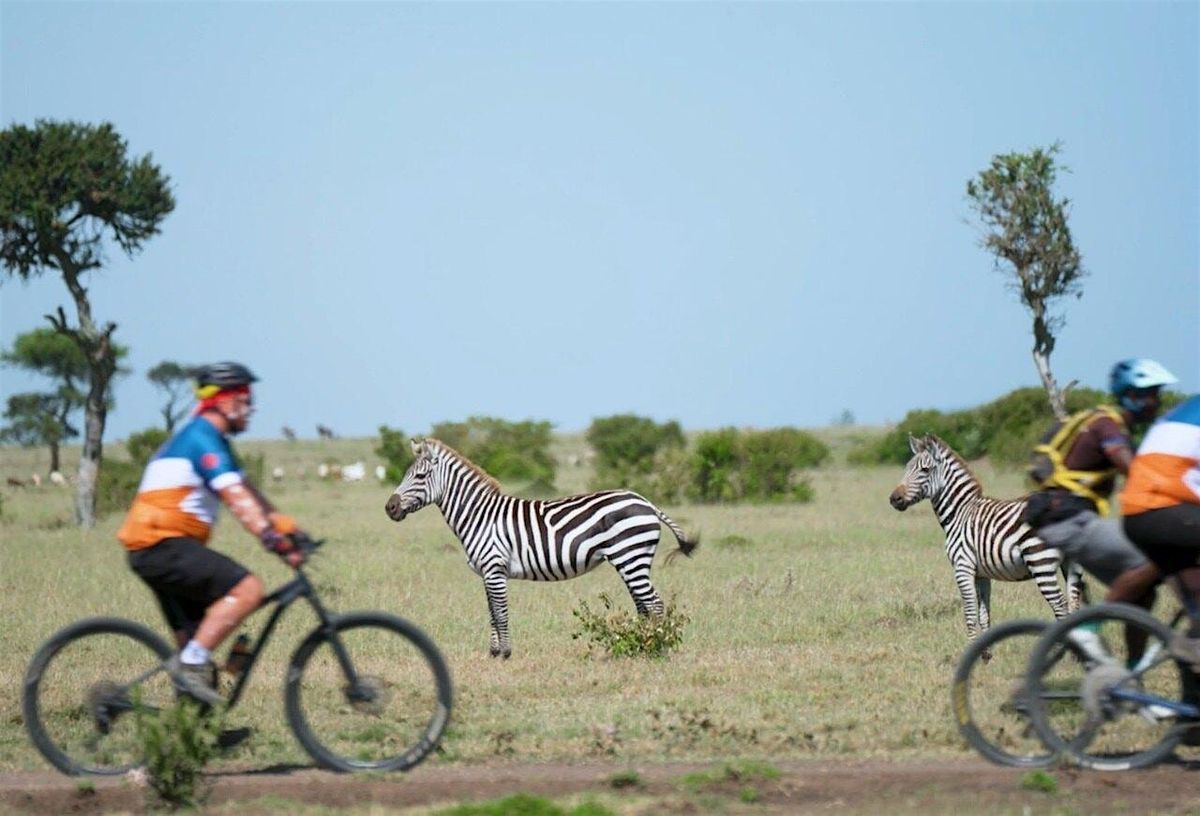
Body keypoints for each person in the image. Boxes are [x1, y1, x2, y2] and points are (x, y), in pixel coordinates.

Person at [117, 362, 308, 705]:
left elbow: (250, 494)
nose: (251, 410)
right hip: (160, 544)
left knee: (199, 640)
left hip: (161, 547)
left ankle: (195, 738)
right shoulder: (202, 439)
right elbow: (236, 500)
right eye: (246, 401)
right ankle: (191, 667)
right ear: (226, 402)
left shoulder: (212, 440)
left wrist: (291, 531)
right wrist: (271, 539)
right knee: (247, 591)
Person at [1024, 359, 1178, 620]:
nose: (1159, 401)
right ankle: (1089, 627)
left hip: (1063, 517)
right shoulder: (1108, 426)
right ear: (1132, 396)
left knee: (1143, 593)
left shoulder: (1114, 425)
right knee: (1154, 560)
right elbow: (1135, 472)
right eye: (1153, 394)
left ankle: (1132, 663)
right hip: (1070, 519)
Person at [1120, 392, 1200, 669]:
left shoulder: (1185, 409)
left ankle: (1190, 705)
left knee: (1196, 608)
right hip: (1162, 510)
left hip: (1146, 511)